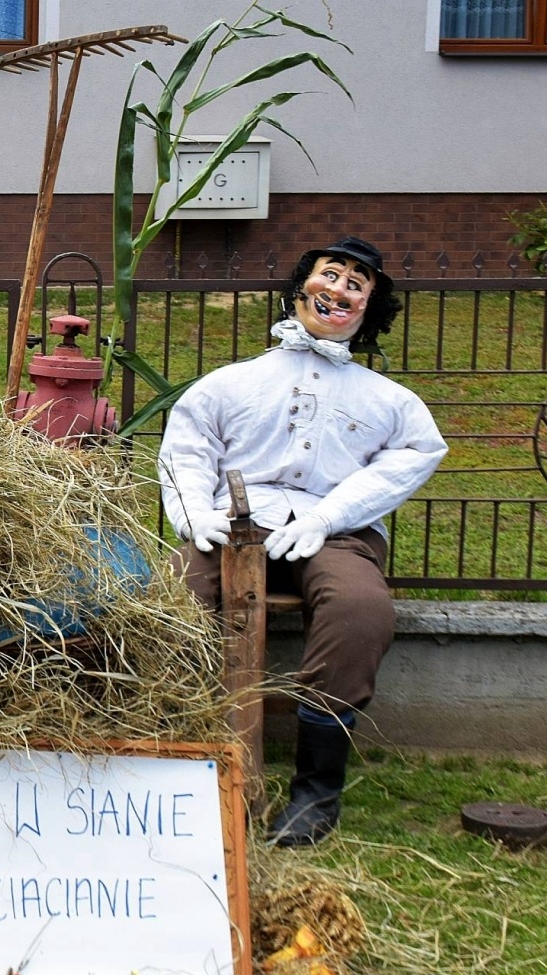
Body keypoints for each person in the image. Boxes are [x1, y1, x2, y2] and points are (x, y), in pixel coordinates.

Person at [157, 236, 447, 847]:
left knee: (360, 610)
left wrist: (331, 515)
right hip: (234, 527)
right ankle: (171, 755)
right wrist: (191, 514)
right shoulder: (230, 383)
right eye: (330, 275)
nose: (339, 290)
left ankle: (316, 790)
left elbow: (418, 453)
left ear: (368, 309)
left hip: (334, 536)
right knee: (173, 598)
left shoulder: (389, 401)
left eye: (356, 285)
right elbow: (187, 446)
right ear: (300, 288)